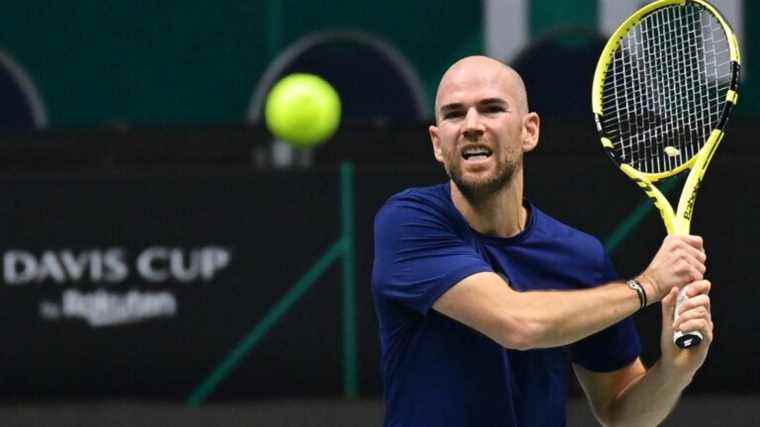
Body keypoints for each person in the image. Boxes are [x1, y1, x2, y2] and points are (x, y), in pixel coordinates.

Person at [371, 55, 712, 427]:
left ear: (529, 131)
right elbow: (517, 324)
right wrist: (647, 286)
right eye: (454, 114)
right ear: (438, 143)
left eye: (491, 109)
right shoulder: (408, 223)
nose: (471, 125)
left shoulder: (578, 257)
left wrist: (676, 372)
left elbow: (622, 414)